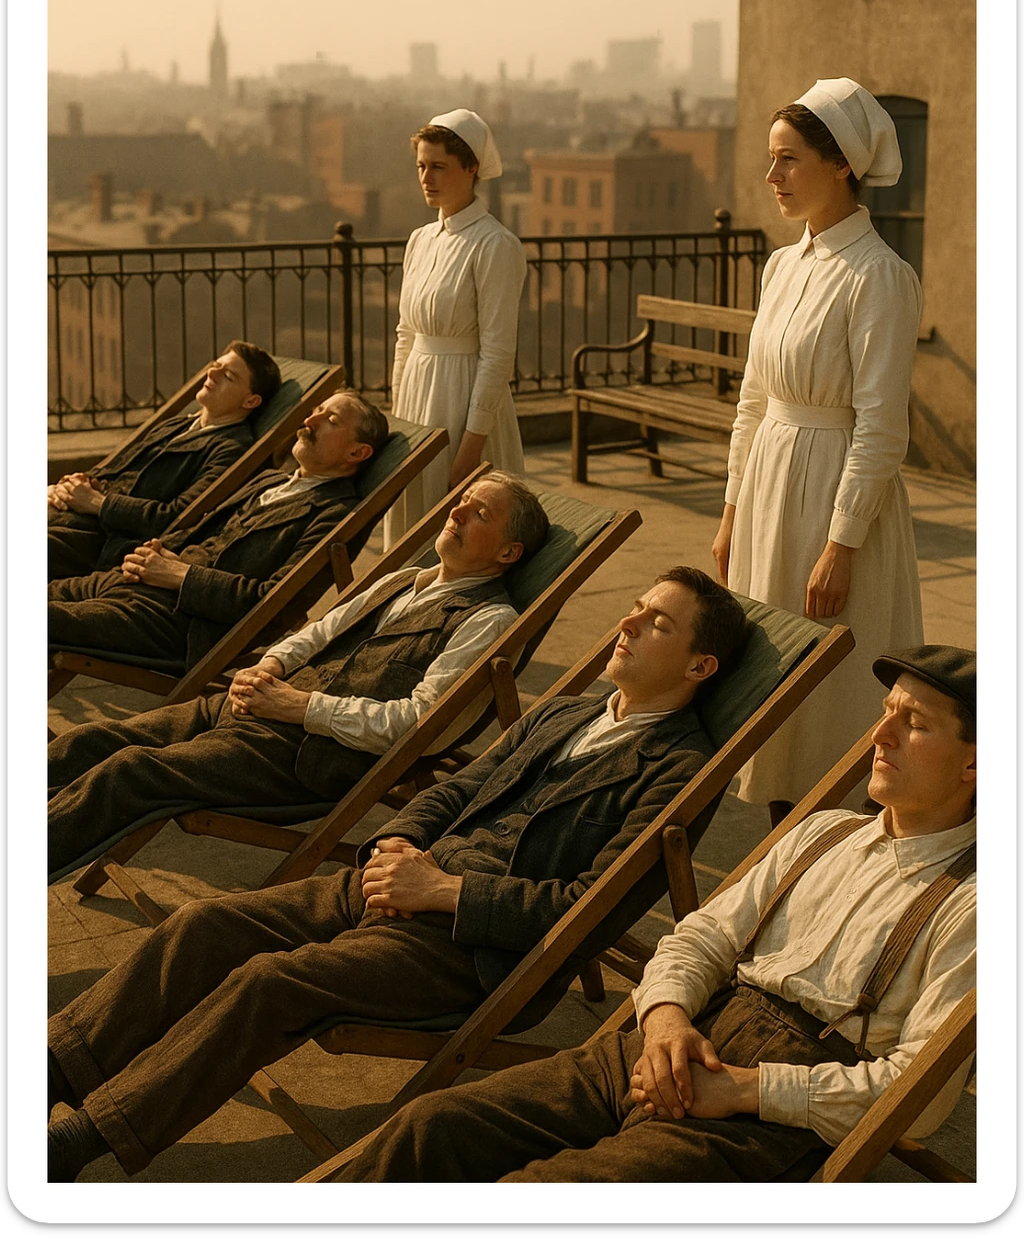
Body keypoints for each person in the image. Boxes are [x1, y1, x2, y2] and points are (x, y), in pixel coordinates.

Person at [46, 567, 750, 1181]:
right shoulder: (566, 713)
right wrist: (396, 843)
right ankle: (57, 1065)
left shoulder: (679, 771)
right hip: (397, 878)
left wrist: (446, 892)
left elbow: (587, 906)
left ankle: (81, 1139)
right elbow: (453, 789)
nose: (626, 622)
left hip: (464, 945)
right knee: (205, 923)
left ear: (699, 667)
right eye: (635, 605)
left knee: (269, 981)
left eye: (656, 622)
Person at [330, 644, 977, 1184]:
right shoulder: (825, 833)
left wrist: (747, 1090)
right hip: (672, 1041)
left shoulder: (974, 905)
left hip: (767, 1116)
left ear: (977, 762)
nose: (879, 734)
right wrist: (665, 1019)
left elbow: (915, 1094)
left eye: (913, 724)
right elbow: (702, 936)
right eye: (886, 712)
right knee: (430, 1128)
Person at [47, 473, 549, 880]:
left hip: (306, 753)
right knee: (95, 740)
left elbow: (417, 721)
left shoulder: (488, 621)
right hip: (261, 705)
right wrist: (268, 666)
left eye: (480, 513)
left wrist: (298, 707)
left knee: (130, 771)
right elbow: (316, 632)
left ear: (508, 553)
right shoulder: (402, 581)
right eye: (461, 501)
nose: (456, 512)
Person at [711, 77, 924, 823]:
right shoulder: (781, 266)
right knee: (775, 682)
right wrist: (733, 508)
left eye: (789, 161)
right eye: (771, 160)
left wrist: (842, 543)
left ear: (842, 166)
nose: (773, 179)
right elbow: (754, 397)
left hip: (835, 494)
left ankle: (844, 849)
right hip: (771, 485)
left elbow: (881, 426)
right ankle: (781, 848)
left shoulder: (881, 277)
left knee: (834, 685)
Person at [48, 390, 389, 672]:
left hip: (177, 621)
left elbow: (270, 601)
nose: (310, 420)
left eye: (330, 421)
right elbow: (195, 529)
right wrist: (156, 553)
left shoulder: (333, 515)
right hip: (131, 582)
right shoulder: (269, 480)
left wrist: (180, 574)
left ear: (356, 452)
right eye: (316, 410)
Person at [383, 108, 527, 550]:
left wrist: (468, 450)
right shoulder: (420, 240)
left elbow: (498, 353)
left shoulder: (496, 245)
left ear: (472, 168)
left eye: (439, 167)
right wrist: (398, 410)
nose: (428, 178)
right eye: (422, 167)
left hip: (462, 399)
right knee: (411, 525)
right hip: (417, 399)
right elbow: (406, 333)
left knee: (459, 533)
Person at [47, 342, 282, 580]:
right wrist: (73, 485)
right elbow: (116, 468)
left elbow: (175, 516)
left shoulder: (230, 450)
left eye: (228, 376)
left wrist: (97, 503)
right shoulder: (178, 425)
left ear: (251, 401)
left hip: (102, 539)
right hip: (75, 515)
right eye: (216, 366)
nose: (212, 373)